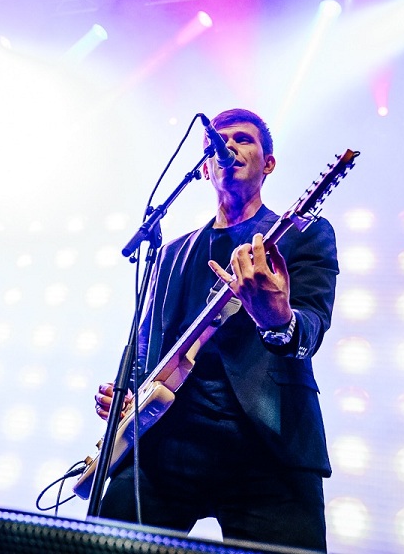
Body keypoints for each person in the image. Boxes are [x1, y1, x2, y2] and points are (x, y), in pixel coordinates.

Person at [94, 108, 338, 552]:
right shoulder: (171, 253)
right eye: (216, 144)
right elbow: (148, 344)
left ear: (268, 163)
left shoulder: (303, 233)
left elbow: (311, 329)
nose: (228, 147)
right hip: (167, 442)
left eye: (243, 139)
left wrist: (277, 319)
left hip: (268, 448)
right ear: (205, 169)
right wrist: (127, 394)